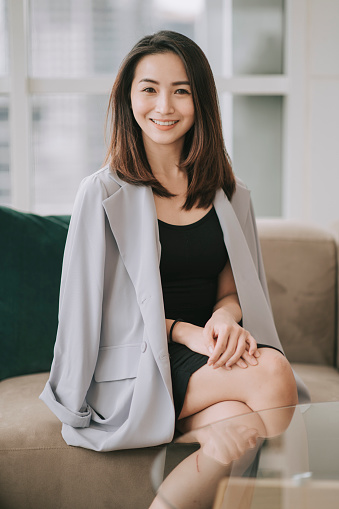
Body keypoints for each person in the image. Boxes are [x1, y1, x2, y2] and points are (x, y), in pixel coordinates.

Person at [40, 30, 309, 452]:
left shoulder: (230, 193)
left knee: (234, 427)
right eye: (149, 89)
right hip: (138, 367)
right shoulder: (101, 193)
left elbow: (234, 287)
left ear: (200, 102)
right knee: (274, 375)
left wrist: (223, 318)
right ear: (128, 99)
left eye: (181, 91)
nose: (164, 107)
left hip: (209, 358)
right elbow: (91, 312)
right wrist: (185, 332)